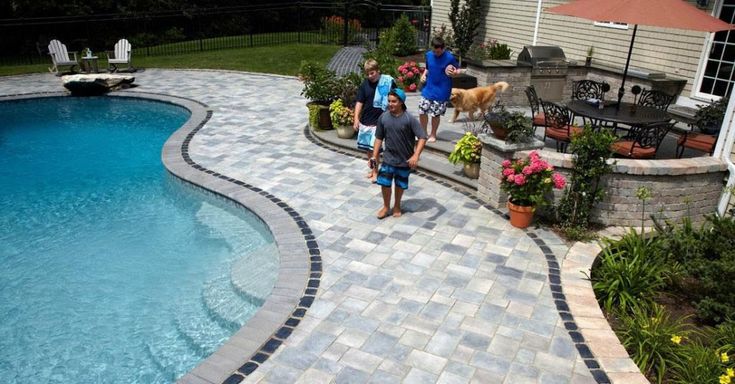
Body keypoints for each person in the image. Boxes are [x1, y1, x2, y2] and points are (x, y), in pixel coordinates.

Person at [372, 88, 427, 219]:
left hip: (404, 160)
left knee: (399, 184)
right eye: (389, 101)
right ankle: (386, 206)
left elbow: (422, 137)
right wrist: (374, 156)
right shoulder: (383, 117)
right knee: (384, 183)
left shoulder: (409, 119)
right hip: (388, 158)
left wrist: (416, 155)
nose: (390, 104)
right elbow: (379, 138)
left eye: (394, 101)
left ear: (401, 102)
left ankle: (397, 205)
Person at [354, 59, 396, 182]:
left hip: (380, 121)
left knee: (375, 149)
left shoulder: (387, 82)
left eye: (372, 73)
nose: (370, 76)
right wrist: (356, 118)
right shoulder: (364, 85)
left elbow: (396, 97)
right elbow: (359, 102)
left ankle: (376, 172)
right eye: (367, 74)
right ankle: (373, 170)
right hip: (366, 120)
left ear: (378, 71)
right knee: (368, 149)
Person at [418, 36, 462, 143]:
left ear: (443, 48)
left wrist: (455, 73)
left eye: (438, 52)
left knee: (435, 114)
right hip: (429, 87)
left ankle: (433, 134)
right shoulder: (428, 55)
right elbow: (428, 68)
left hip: (442, 90)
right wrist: (423, 75)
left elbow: (458, 70)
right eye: (434, 51)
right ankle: (423, 133)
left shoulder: (450, 58)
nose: (436, 53)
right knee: (422, 110)